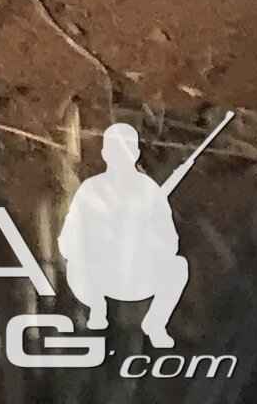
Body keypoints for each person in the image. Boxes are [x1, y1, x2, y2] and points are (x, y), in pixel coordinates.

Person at [61, 122, 191, 347]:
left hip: (139, 277)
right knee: (76, 264)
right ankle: (97, 310)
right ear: (104, 154)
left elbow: (172, 243)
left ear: (136, 154)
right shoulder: (91, 190)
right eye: (114, 150)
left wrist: (144, 241)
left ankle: (156, 324)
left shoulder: (150, 192)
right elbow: (67, 242)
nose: (120, 157)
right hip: (98, 279)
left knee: (178, 267)